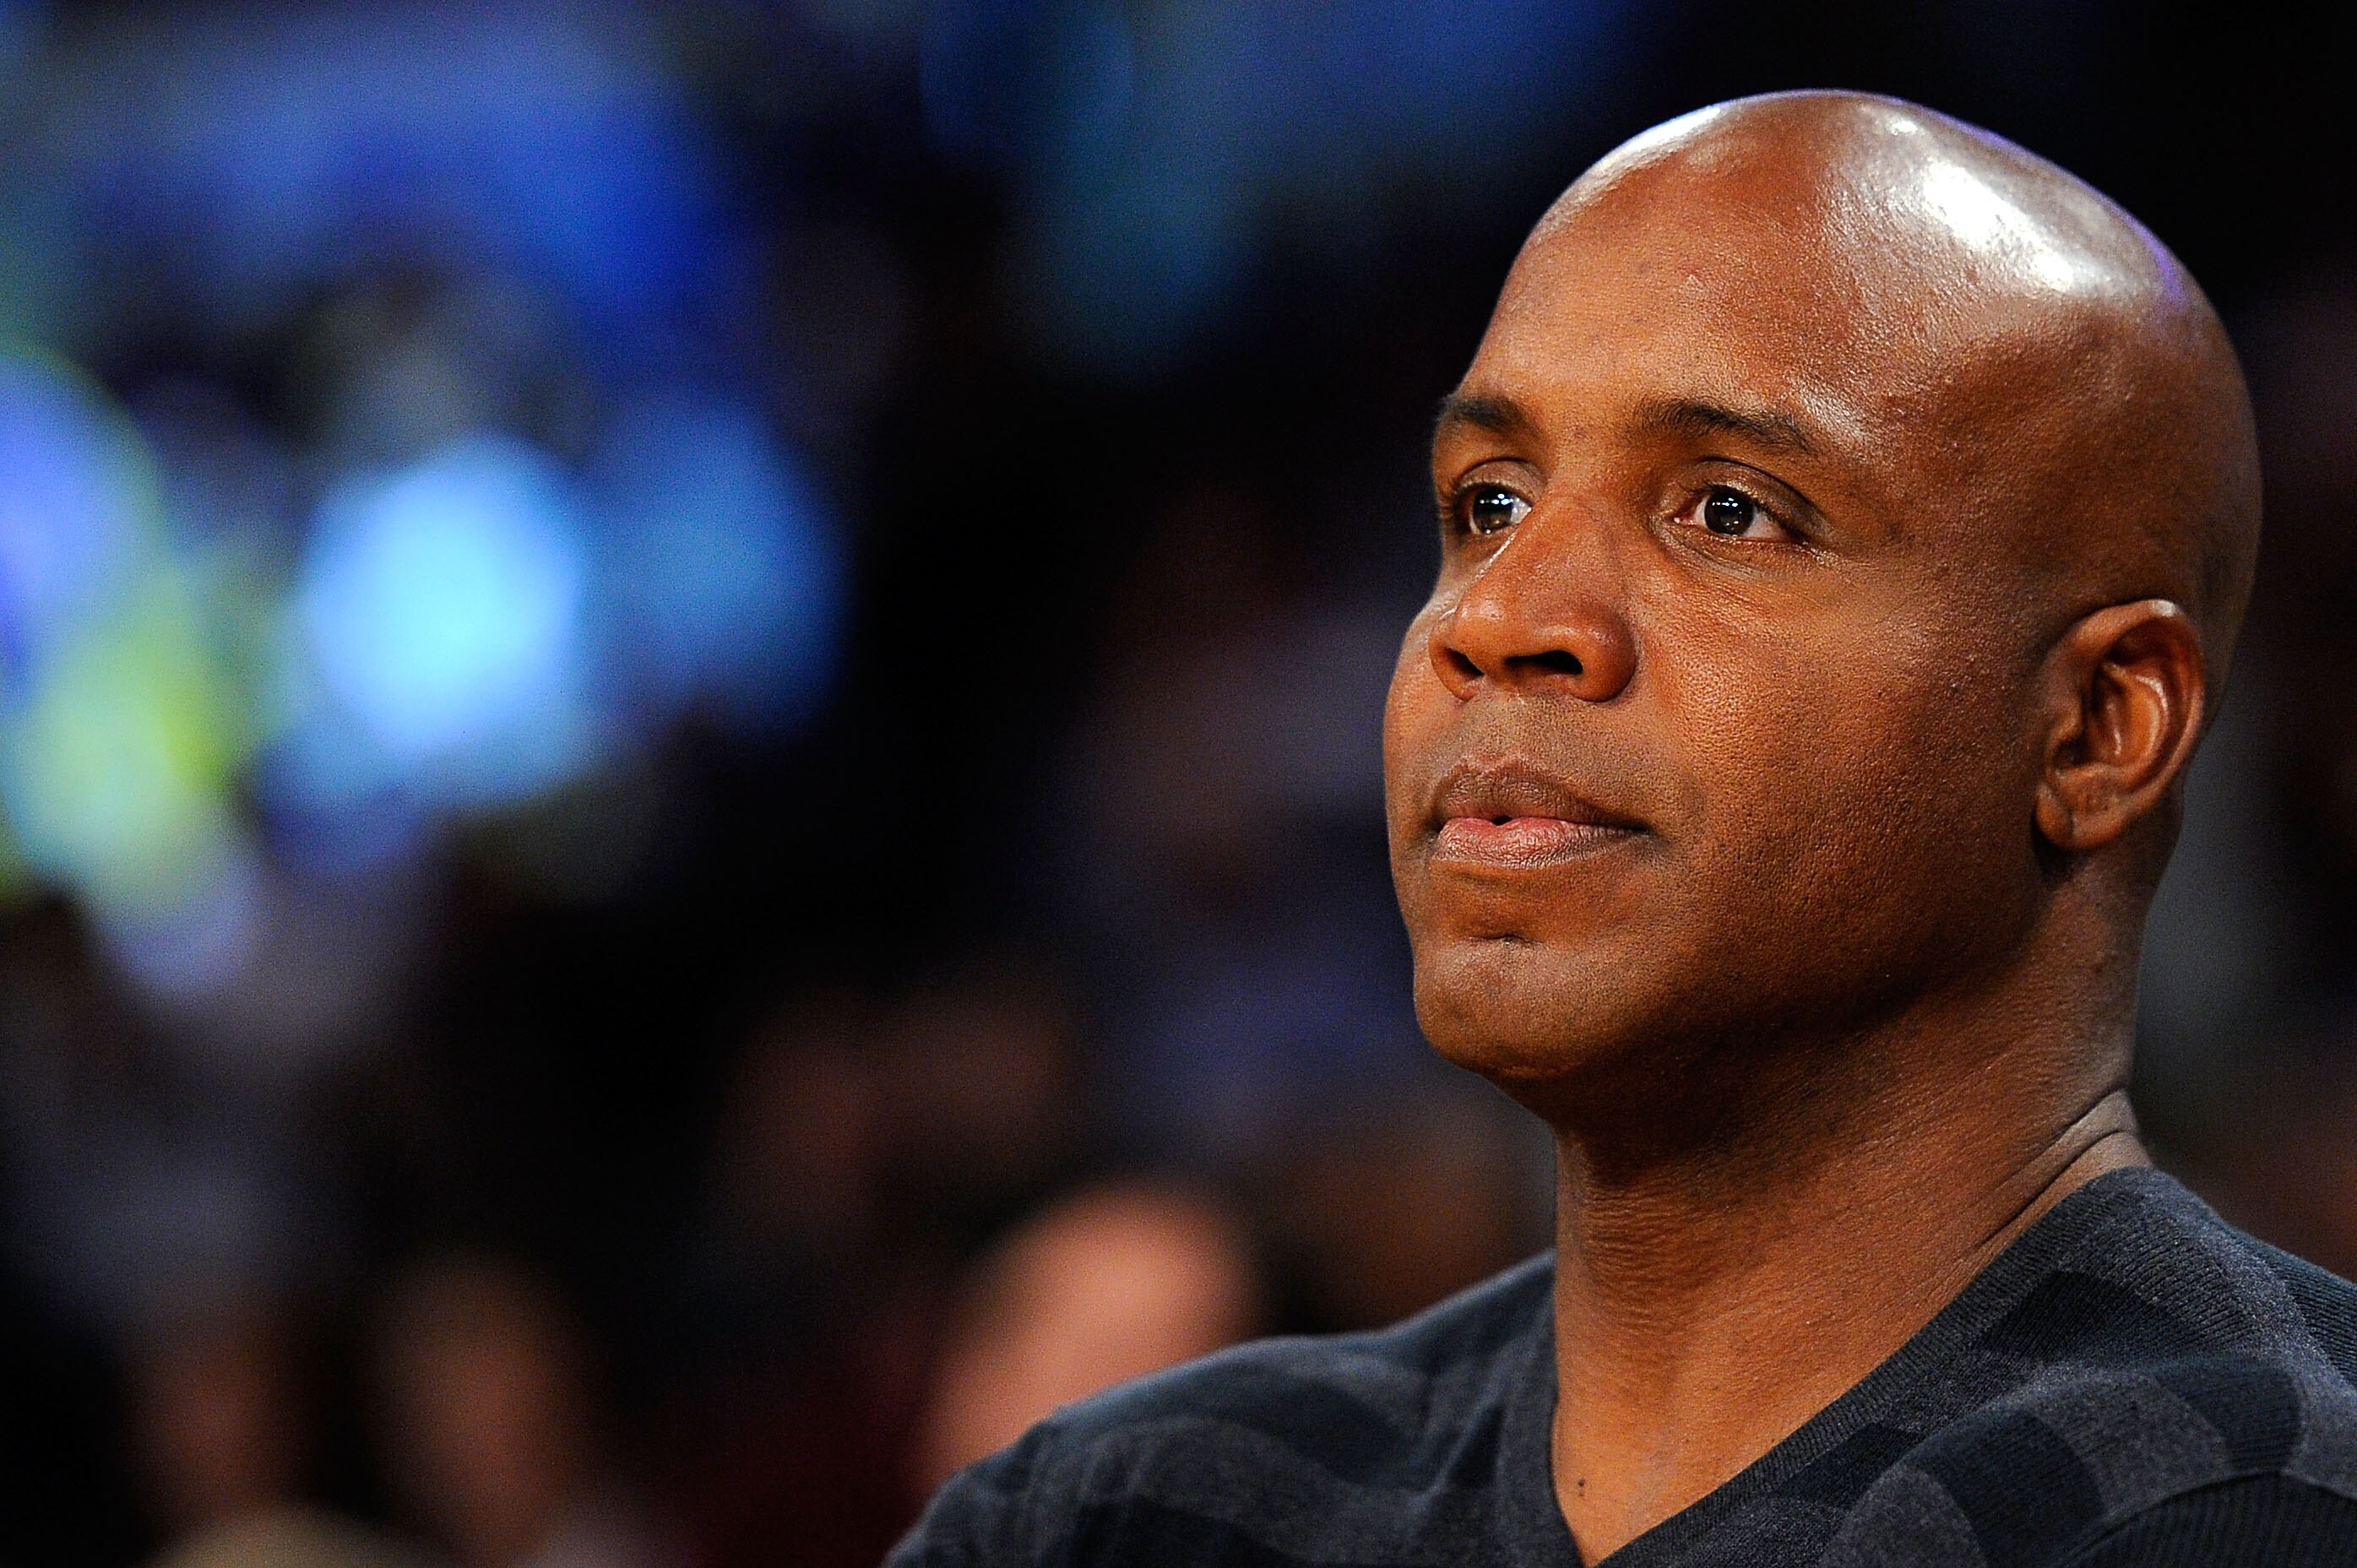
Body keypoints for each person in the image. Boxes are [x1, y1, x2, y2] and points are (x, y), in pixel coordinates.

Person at [889, 90, 2357, 1565]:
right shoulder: (1118, 1515)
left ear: (2099, 726)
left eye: (1729, 511)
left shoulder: (2256, 1503)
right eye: (1489, 502)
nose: (1499, 616)